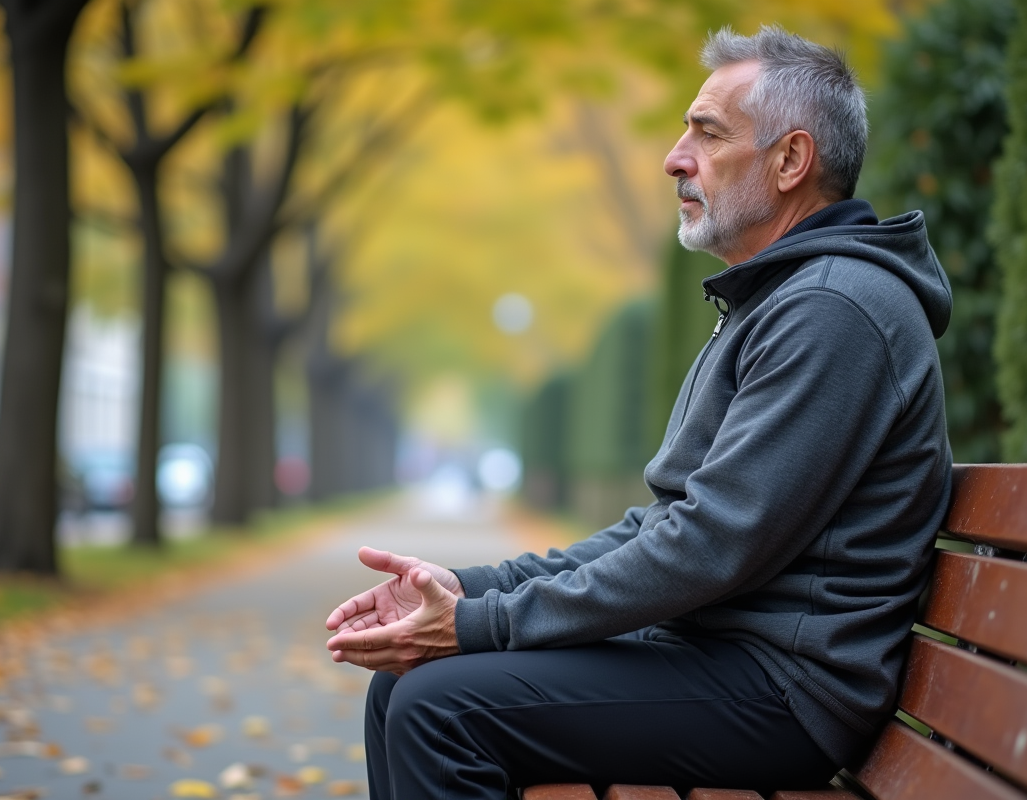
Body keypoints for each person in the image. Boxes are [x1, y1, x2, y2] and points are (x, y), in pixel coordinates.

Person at [326, 24, 952, 799]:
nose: (674, 157)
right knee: (405, 690)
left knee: (436, 706)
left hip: (784, 689)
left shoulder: (833, 309)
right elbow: (661, 527)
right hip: (721, 655)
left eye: (707, 133)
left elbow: (708, 546)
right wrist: (465, 587)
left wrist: (477, 626)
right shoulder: (781, 302)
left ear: (791, 161)